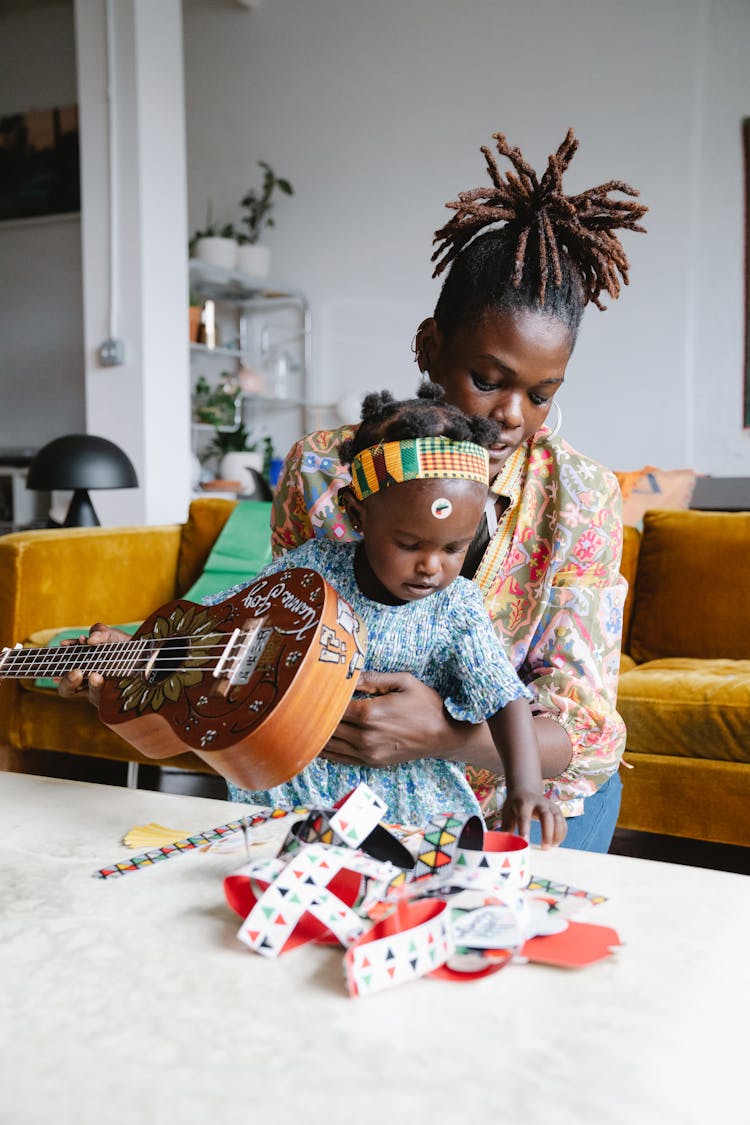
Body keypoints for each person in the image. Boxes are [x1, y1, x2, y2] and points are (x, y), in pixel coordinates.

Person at [270, 127, 648, 852]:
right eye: (489, 379)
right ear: (429, 346)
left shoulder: (583, 497)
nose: (513, 416)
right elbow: (280, 628)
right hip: (349, 782)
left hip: (524, 795)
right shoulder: (325, 468)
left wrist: (438, 734)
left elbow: (591, 732)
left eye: (542, 393)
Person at [206, 385, 566, 844]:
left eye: (454, 547)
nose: (432, 566)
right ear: (358, 515)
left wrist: (526, 787)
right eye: (410, 544)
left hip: (411, 808)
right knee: (292, 888)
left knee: (405, 902)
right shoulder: (310, 571)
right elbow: (221, 616)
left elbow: (504, 698)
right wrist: (131, 643)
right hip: (297, 787)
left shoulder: (455, 608)